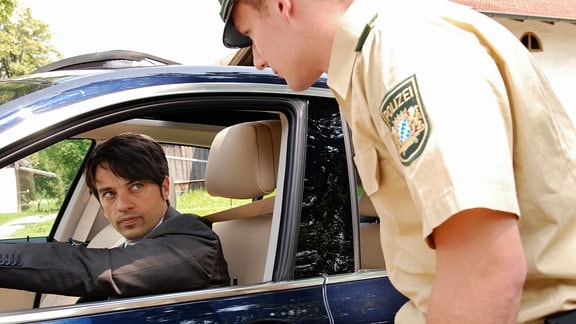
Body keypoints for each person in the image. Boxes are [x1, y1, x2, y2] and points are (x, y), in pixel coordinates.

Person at [217, 0, 576, 323]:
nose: (259, 59)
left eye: (252, 34)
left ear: (282, 4)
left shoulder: (405, 51)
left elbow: (484, 266)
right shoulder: (374, 60)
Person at [0, 133, 230, 300]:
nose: (123, 205)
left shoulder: (195, 242)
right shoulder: (124, 243)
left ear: (165, 187)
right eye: (109, 193)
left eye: (136, 186)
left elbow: (99, 271)